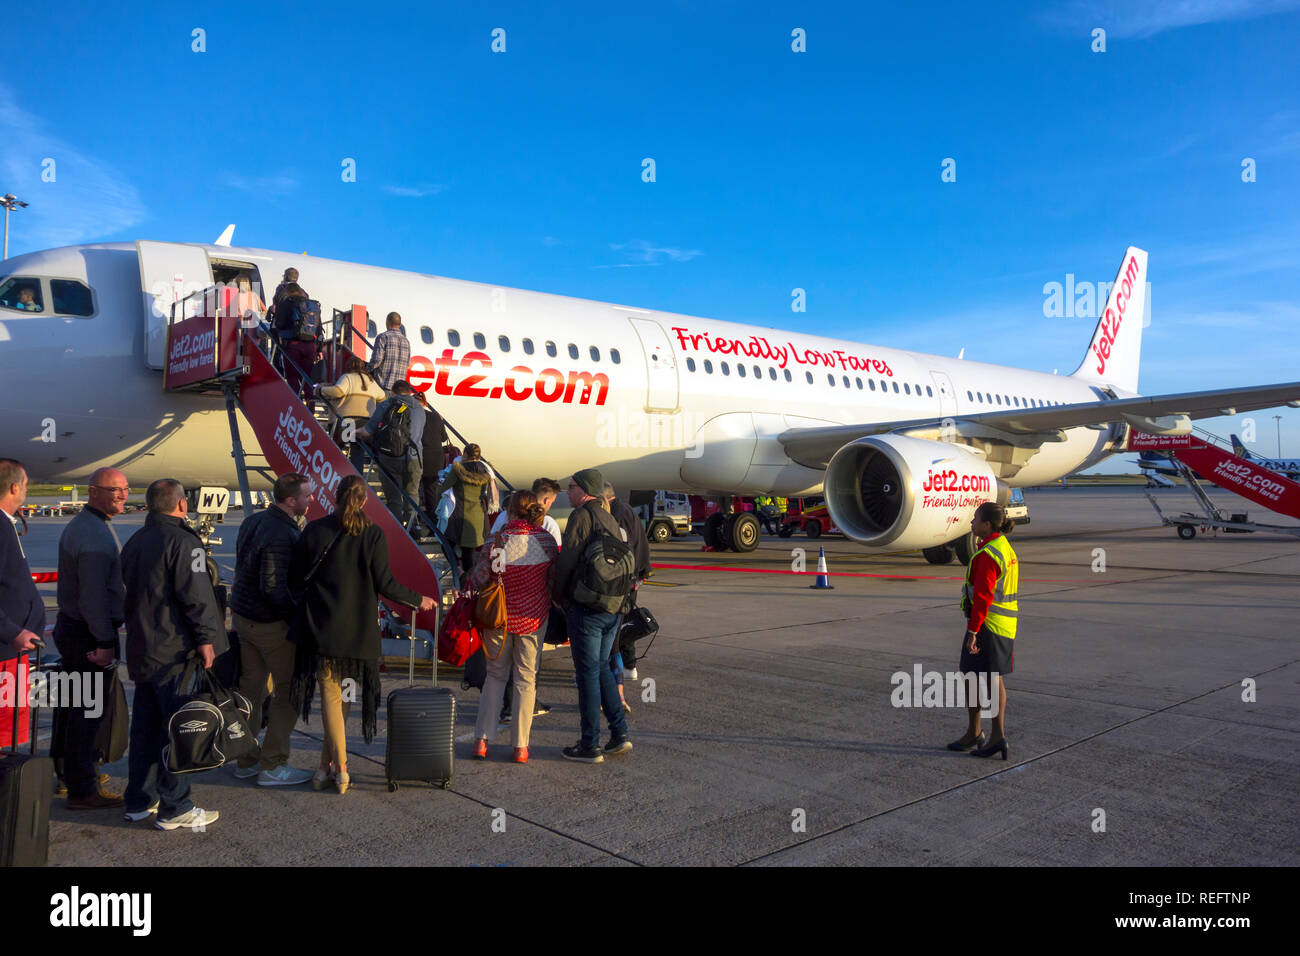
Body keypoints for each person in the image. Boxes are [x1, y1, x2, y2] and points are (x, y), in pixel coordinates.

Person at [289, 475, 435, 794]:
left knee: (332, 696)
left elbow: (295, 577)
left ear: (336, 498)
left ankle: (326, 767)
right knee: (345, 698)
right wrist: (417, 599)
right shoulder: (373, 534)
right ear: (365, 501)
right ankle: (341, 768)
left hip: (323, 628)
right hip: (358, 633)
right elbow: (385, 584)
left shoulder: (315, 529)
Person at [120, 479, 227, 830]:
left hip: (142, 648)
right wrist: (207, 639)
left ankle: (140, 800)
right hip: (175, 652)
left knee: (146, 729)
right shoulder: (183, 541)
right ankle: (176, 806)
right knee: (182, 729)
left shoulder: (135, 541)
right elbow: (195, 594)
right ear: (181, 505)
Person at [228, 473, 314, 786]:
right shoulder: (282, 533)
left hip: (243, 618)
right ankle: (273, 764)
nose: (310, 500)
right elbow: (273, 587)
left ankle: (246, 759)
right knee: (291, 690)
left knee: (251, 690)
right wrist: (294, 619)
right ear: (291, 501)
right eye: (306, 496)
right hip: (269, 624)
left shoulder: (254, 521)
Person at [51, 467, 128, 811]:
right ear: (93, 491)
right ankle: (84, 789)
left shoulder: (87, 525)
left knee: (72, 709)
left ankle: (71, 775)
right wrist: (105, 642)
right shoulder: (94, 534)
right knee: (87, 712)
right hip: (88, 634)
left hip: (73, 629)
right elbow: (93, 597)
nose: (124, 495)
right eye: (115, 490)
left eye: (126, 489)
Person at [467, 491, 558, 764]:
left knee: (495, 677)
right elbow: (552, 579)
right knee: (525, 679)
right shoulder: (546, 540)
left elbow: (483, 576)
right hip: (533, 619)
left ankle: (481, 740)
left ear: (509, 512)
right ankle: (520, 746)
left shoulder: (497, 540)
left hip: (499, 620)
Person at [554, 468, 634, 763]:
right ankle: (619, 733)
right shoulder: (609, 516)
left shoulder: (582, 516)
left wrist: (559, 596)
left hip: (587, 608)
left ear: (584, 489)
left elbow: (567, 560)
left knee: (587, 674)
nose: (568, 491)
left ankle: (590, 744)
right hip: (612, 606)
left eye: (571, 486)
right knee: (601, 669)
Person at [949, 501, 1018, 760]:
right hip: (1003, 625)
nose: (971, 522)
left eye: (976, 518)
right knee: (993, 678)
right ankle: (995, 736)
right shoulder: (1004, 548)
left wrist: (973, 631)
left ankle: (976, 733)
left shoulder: (988, 555)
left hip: (987, 625)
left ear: (987, 524)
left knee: (970, 676)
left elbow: (983, 597)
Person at [0, 460, 43, 754]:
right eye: (25, 484)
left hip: (12, 649)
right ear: (15, 487)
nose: (26, 490)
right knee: (4, 733)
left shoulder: (7, 523)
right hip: (6, 649)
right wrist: (12, 630)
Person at [358, 380, 426, 526]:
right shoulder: (420, 408)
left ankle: (398, 527)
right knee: (412, 494)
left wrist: (353, 432)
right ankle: (414, 528)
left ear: (393, 392)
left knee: (394, 497)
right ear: (409, 392)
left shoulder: (386, 405)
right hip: (414, 458)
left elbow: (367, 431)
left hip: (390, 457)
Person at [603, 481, 651, 684]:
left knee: (619, 623)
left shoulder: (617, 514)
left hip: (627, 578)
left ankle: (624, 667)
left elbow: (623, 549)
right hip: (634, 575)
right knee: (624, 620)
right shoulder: (625, 510)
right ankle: (628, 665)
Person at [317, 357, 386, 473]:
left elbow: (339, 391)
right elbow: (383, 396)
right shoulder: (371, 380)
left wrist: (321, 390)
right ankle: (357, 477)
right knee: (357, 450)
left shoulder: (347, 377)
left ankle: (333, 473)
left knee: (336, 448)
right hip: (365, 423)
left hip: (347, 422)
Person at [438, 445, 490, 573]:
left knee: (445, 543)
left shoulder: (458, 470)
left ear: (465, 454)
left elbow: (442, 488)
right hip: (478, 518)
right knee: (469, 553)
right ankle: (468, 584)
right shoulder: (486, 471)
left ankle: (457, 569)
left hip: (460, 516)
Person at [272, 282, 319, 399]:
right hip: (310, 346)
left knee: (292, 375)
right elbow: (318, 327)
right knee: (306, 376)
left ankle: (297, 400)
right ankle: (310, 400)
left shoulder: (287, 303)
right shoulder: (312, 305)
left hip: (293, 344)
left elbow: (280, 323)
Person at [490, 477, 562, 547]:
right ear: (546, 500)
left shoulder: (503, 515)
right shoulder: (549, 522)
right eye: (551, 502)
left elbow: (490, 542)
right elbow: (557, 551)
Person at [415, 389, 449, 518]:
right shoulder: (436, 416)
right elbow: (443, 438)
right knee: (431, 492)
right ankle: (433, 523)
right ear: (425, 403)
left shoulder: (413, 416)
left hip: (420, 457)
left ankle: (415, 521)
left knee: (414, 489)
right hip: (436, 459)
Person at [368, 311, 411, 396]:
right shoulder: (406, 341)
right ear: (400, 324)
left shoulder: (383, 337)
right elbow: (407, 363)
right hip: (399, 391)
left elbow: (377, 360)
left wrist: (366, 370)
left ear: (387, 322)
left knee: (381, 409)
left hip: (384, 388)